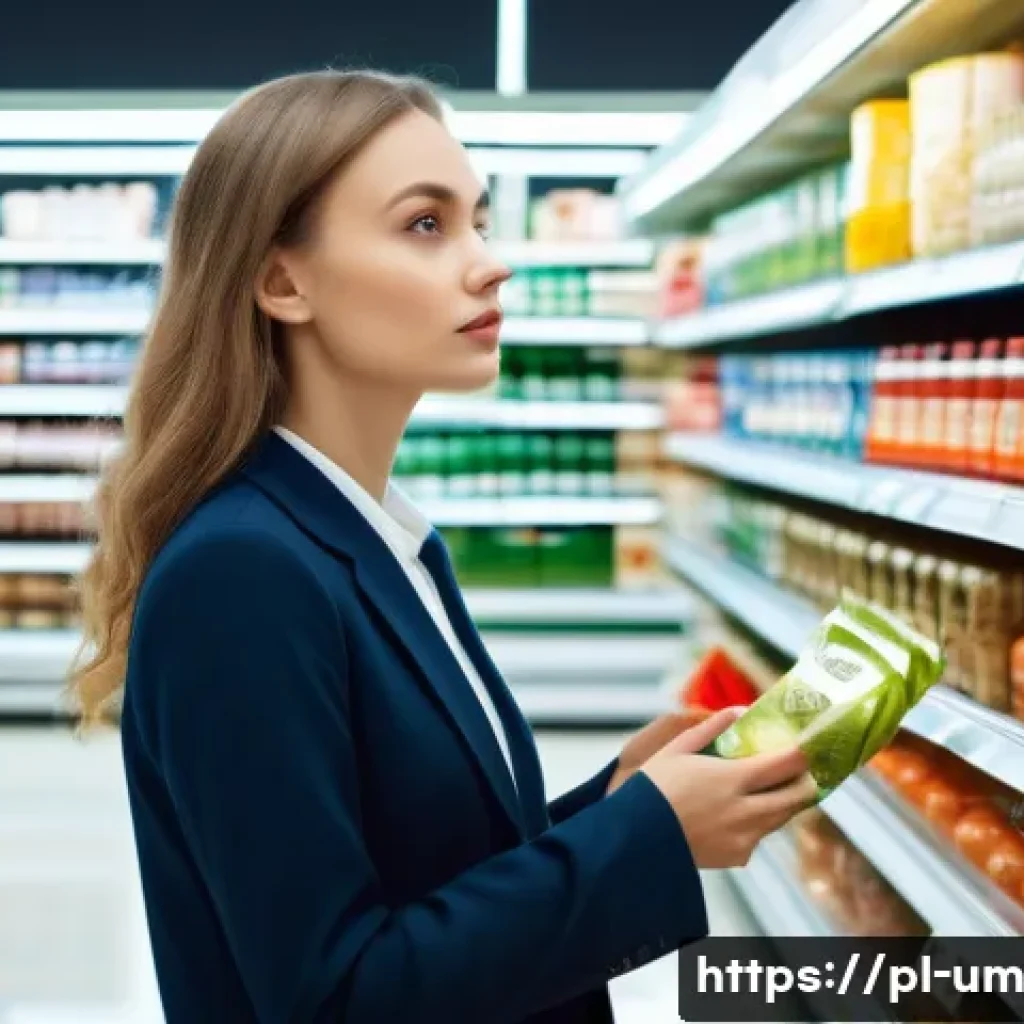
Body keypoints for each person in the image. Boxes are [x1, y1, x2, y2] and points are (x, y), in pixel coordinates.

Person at [71, 69, 815, 1024]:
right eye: (426, 225)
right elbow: (338, 996)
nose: (487, 263)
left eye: (479, 222)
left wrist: (618, 807)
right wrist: (649, 840)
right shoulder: (241, 573)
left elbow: (424, 872)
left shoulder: (378, 538)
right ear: (280, 281)